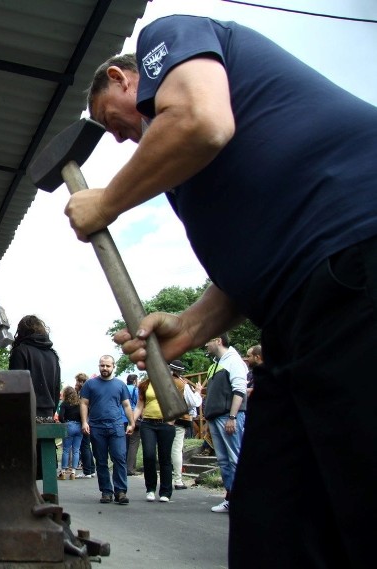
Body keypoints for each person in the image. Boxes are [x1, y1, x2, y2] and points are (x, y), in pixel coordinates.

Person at [69, 13, 377, 566]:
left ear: (120, 77)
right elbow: (249, 265)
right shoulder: (183, 177)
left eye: (107, 119)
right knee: (273, 517)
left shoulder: (170, 37)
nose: (115, 136)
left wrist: (107, 200)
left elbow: (201, 120)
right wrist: (188, 325)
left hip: (359, 257)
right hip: (296, 313)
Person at [79, 355, 134, 505]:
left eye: (108, 366)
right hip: (97, 427)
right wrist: (85, 422)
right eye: (102, 366)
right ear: (99, 366)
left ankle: (121, 491)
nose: (105, 368)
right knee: (101, 460)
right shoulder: (90, 384)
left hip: (116, 426)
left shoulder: (120, 385)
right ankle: (106, 492)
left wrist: (131, 422)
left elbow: (127, 405)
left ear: (113, 367)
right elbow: (84, 403)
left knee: (119, 458)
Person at [203, 334, 247, 514]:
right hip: (215, 417)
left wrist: (233, 417)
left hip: (227, 416)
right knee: (223, 460)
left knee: (235, 458)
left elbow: (239, 389)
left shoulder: (233, 361)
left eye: (208, 341)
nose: (205, 345)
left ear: (218, 340)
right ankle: (230, 497)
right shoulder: (217, 363)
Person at [133, 362, 181, 503]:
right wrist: (131, 422)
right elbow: (139, 406)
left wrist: (171, 420)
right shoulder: (145, 385)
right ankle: (150, 489)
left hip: (165, 425)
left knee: (165, 458)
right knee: (149, 456)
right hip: (148, 423)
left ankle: (165, 491)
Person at [8, 315, 61, 420]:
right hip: (48, 416)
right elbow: (56, 389)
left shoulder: (20, 351)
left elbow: (15, 387)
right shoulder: (53, 355)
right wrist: (51, 413)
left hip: (25, 415)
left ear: (21, 332)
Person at [168, 360, 193, 490]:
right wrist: (198, 392)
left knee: (165, 449)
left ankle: (165, 479)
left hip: (161, 418)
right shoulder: (182, 383)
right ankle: (178, 480)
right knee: (177, 449)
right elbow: (193, 402)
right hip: (178, 418)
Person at [57, 385, 82, 480]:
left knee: (66, 449)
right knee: (76, 450)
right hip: (79, 426)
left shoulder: (64, 404)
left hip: (69, 425)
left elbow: (60, 417)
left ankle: (63, 472)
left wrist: (64, 423)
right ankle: (73, 472)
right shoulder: (79, 403)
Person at [74, 372, 95, 478]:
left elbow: (84, 407)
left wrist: (84, 422)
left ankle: (87, 471)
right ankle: (91, 469)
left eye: (78, 381)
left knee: (84, 446)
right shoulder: (90, 390)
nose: (77, 383)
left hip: (85, 421)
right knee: (87, 446)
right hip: (90, 421)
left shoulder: (83, 393)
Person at [124, 373, 141, 476]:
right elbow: (140, 403)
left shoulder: (123, 388)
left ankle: (123, 466)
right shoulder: (136, 390)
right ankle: (130, 468)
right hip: (133, 417)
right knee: (133, 443)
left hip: (122, 418)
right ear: (134, 381)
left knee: (124, 443)